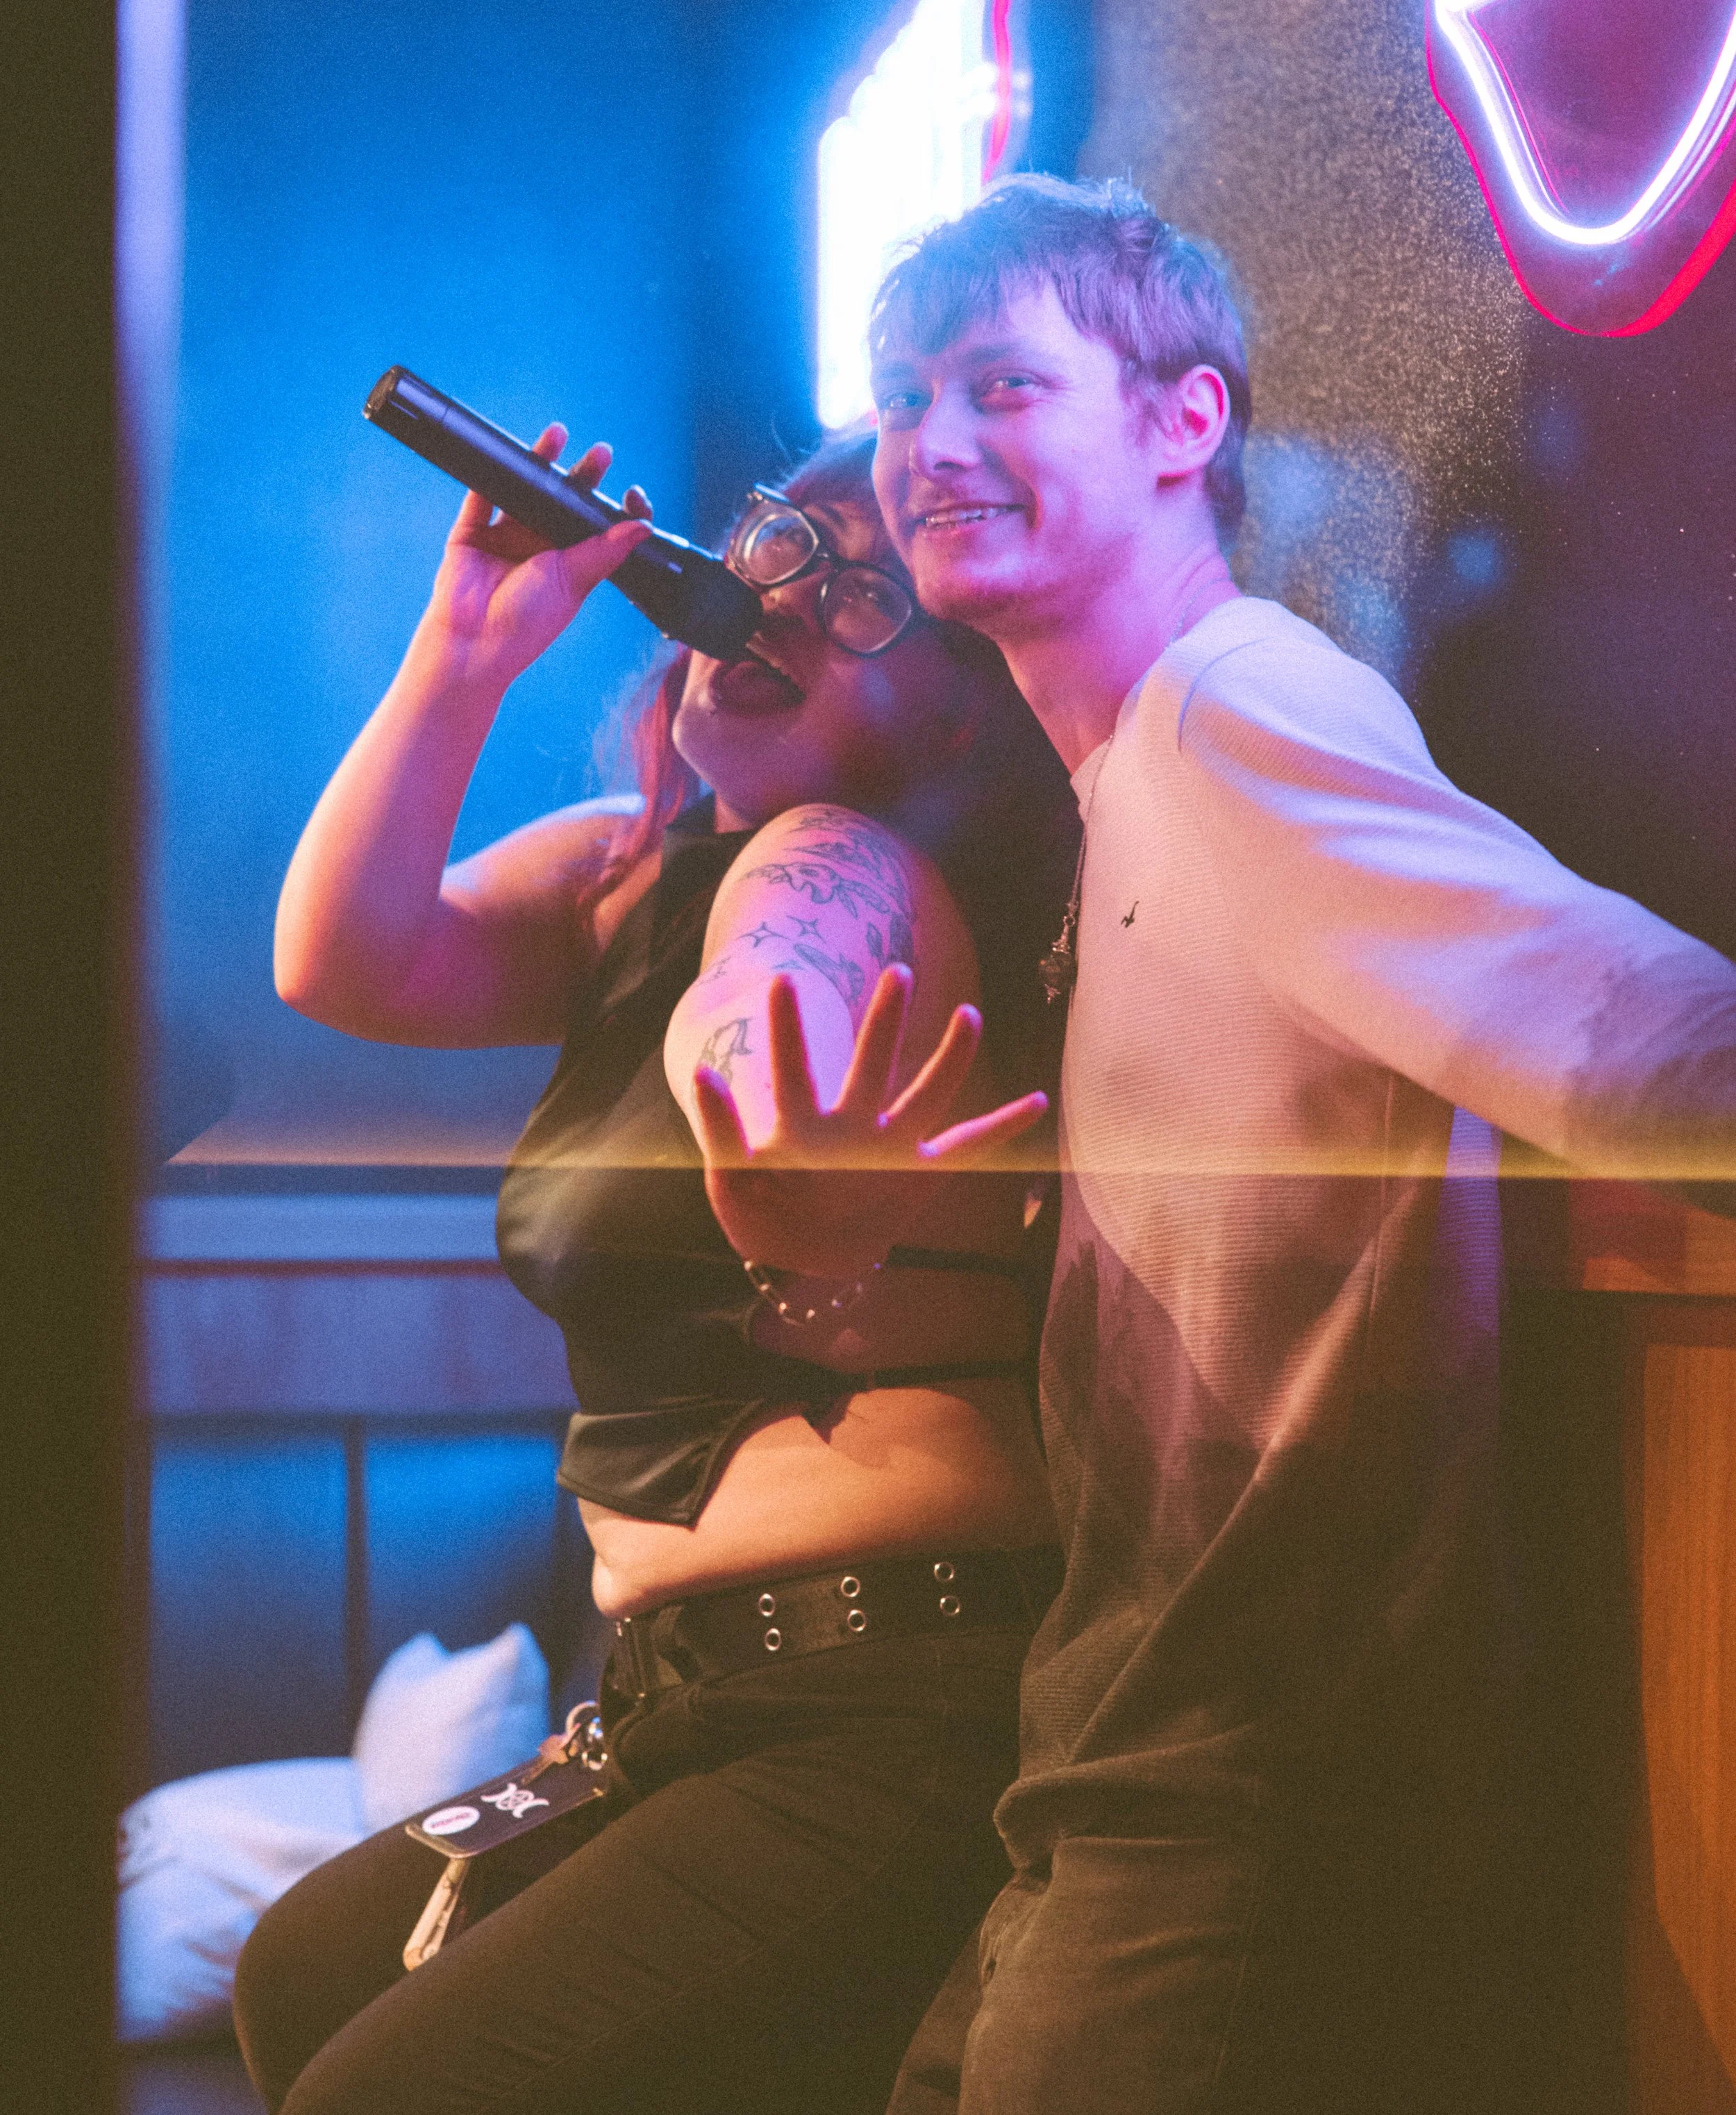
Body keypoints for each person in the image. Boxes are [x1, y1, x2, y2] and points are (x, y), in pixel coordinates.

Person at [692, 174, 1736, 2115]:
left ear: (1186, 423)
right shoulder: (1131, 765)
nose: (929, 442)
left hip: (1253, 1795)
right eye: (905, 393)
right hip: (1123, 1767)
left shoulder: (1240, 713)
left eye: (1001, 382)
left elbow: (1651, 1035)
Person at [232, 424, 1078, 2115]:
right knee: (304, 1966)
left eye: (856, 595)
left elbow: (770, 986)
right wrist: (462, 648)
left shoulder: (858, 862)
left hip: (884, 1707)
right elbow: (340, 956)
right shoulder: (626, 876)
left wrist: (752, 1110)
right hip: (683, 1691)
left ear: (968, 699)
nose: (772, 598)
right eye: (773, 544)